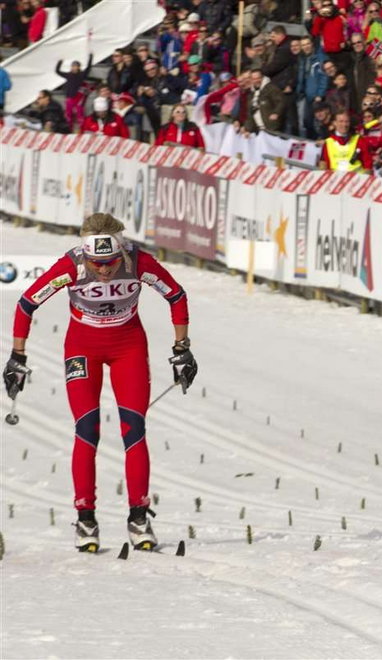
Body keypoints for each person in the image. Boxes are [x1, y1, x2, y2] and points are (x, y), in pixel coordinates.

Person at [3, 213, 197, 552]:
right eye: (96, 263)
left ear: (119, 252)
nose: (104, 270)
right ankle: (85, 519)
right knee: (87, 429)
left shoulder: (138, 261)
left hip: (129, 348)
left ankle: (138, 516)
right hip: (82, 349)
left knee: (134, 428)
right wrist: (18, 357)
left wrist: (182, 349)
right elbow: (26, 303)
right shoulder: (72, 267)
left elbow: (176, 296)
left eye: (108, 262)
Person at [55, 55, 93, 132]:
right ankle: (69, 130)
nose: (74, 68)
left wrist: (90, 58)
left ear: (79, 67)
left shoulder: (81, 75)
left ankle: (82, 130)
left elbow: (88, 68)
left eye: (76, 66)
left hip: (78, 97)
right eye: (73, 66)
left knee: (80, 114)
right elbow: (57, 71)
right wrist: (60, 62)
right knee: (68, 114)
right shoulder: (68, 75)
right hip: (69, 97)